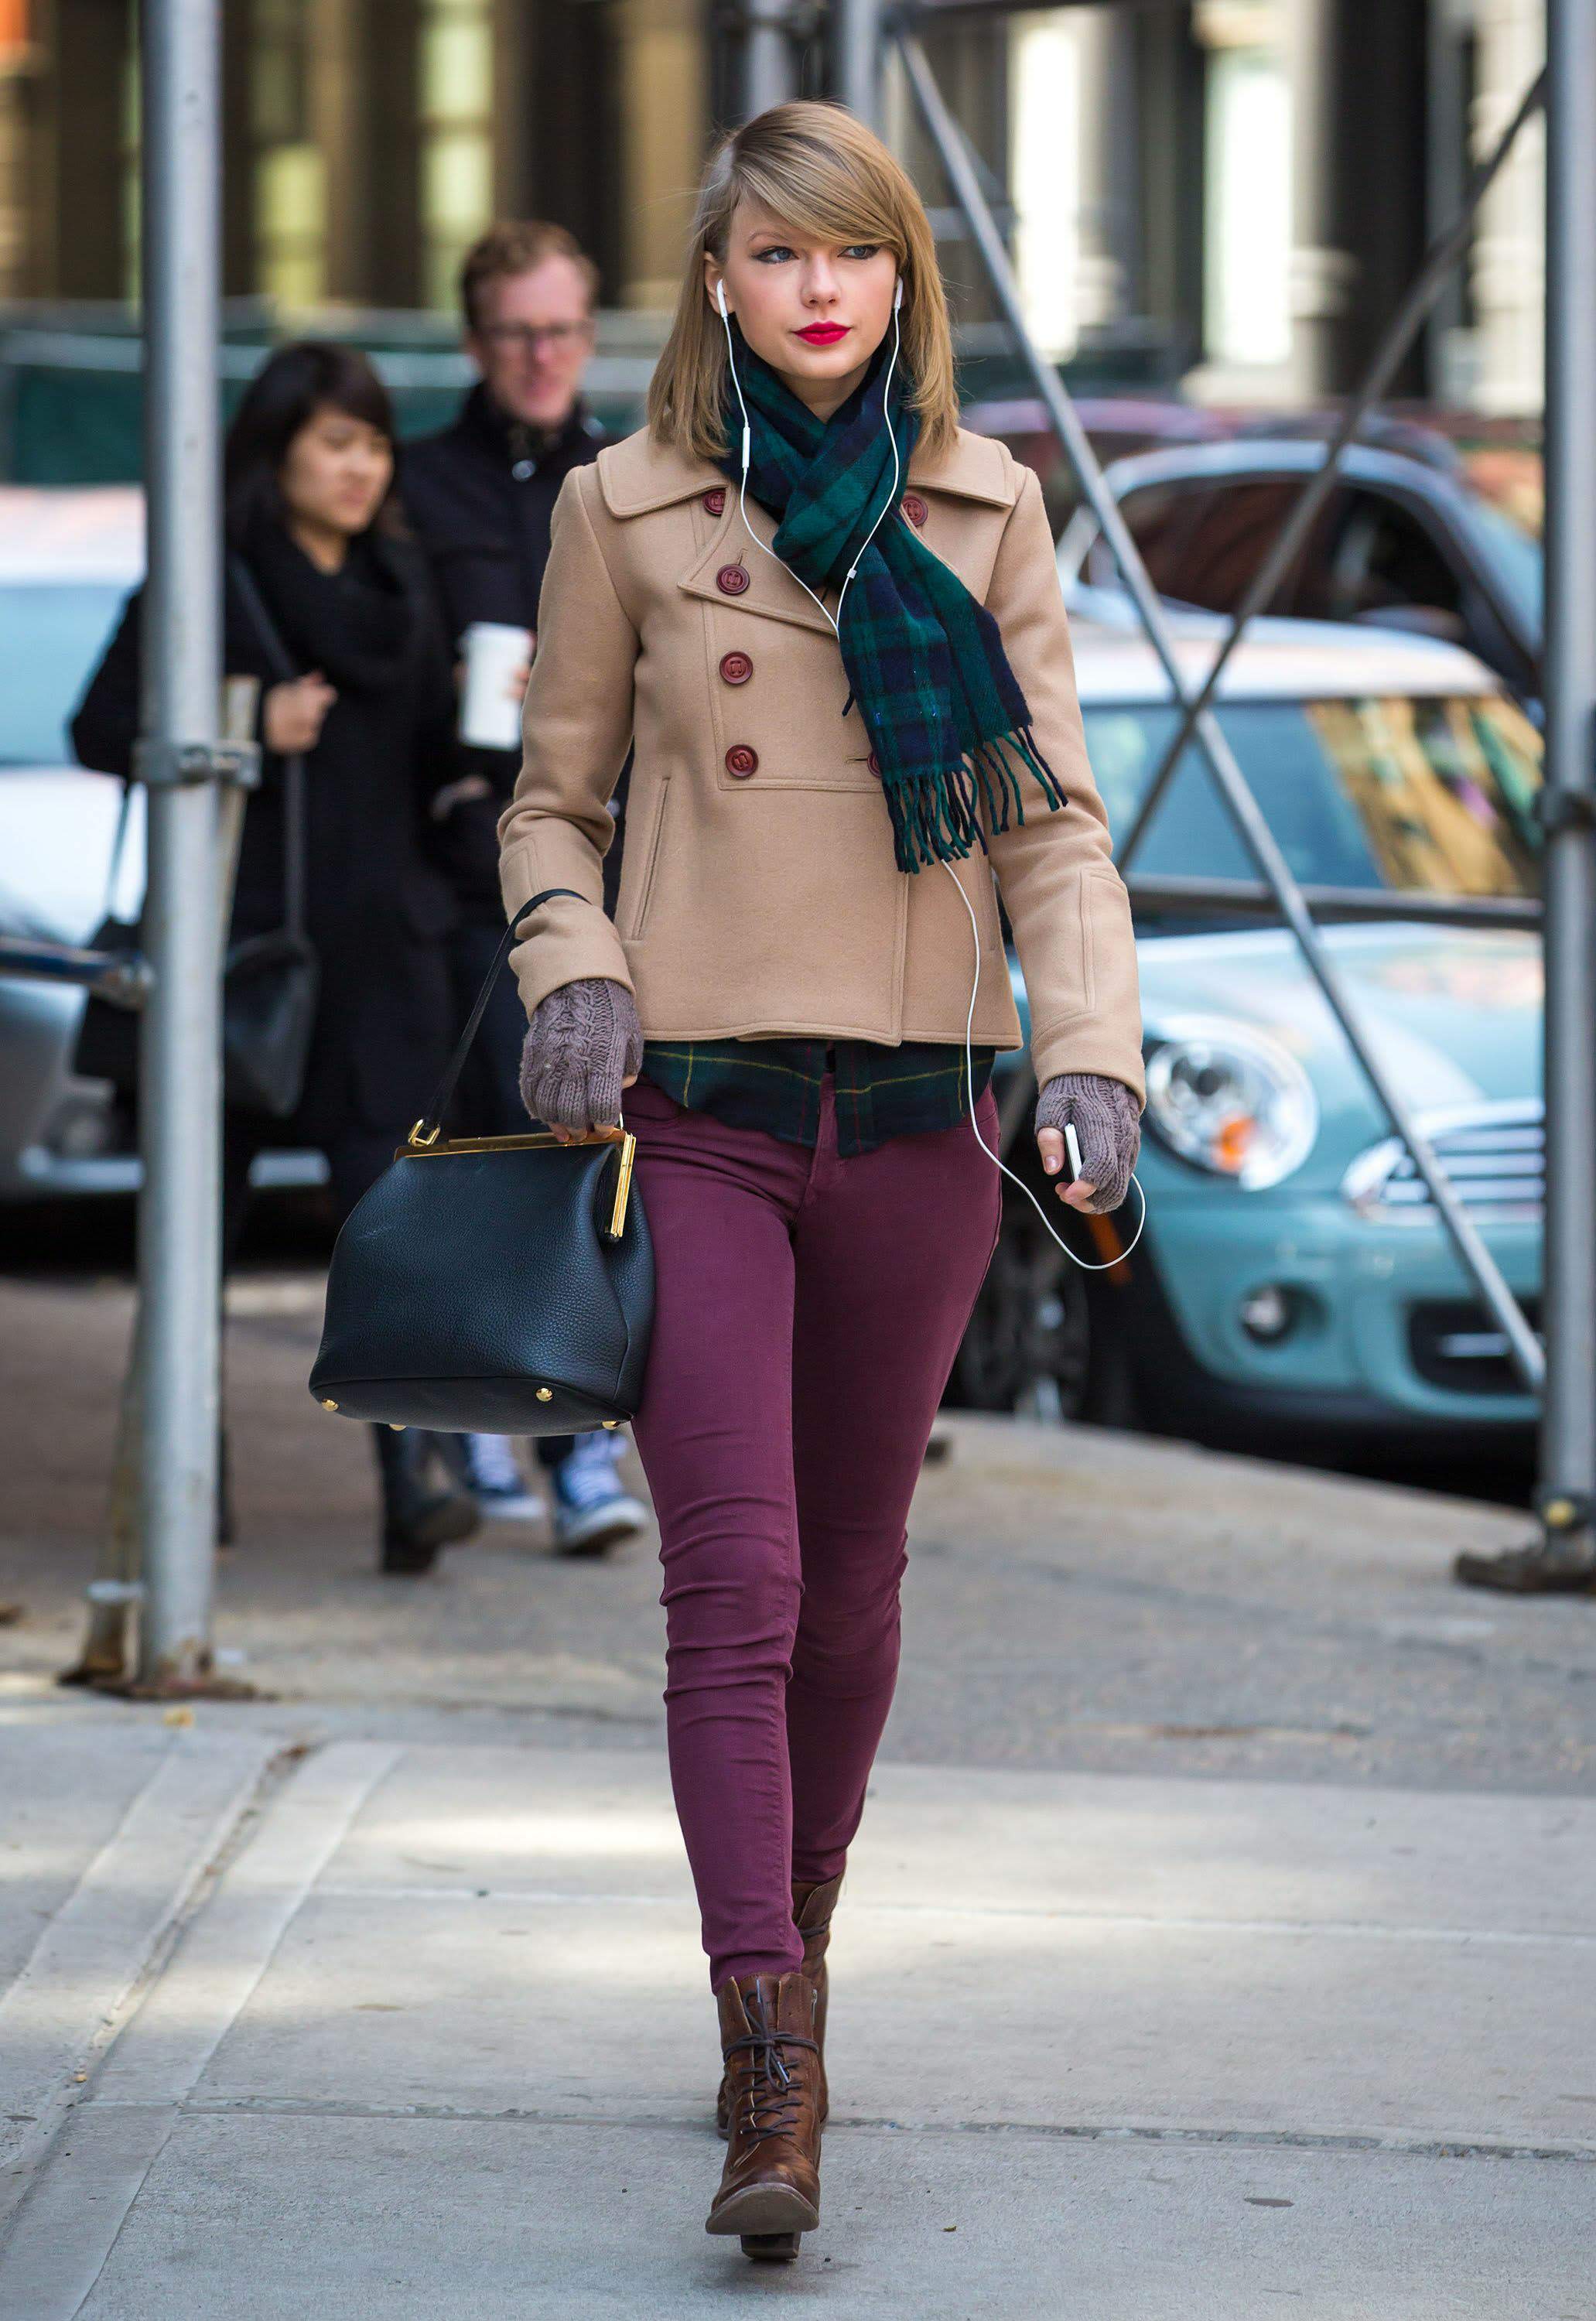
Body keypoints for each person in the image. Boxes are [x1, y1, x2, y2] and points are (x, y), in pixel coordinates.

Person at [495, 102, 1146, 2261]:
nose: (819, 287)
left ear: (899, 277)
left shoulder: (987, 506)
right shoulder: (621, 507)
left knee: (855, 1588)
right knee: (738, 1582)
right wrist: (577, 969)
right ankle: (767, 2049)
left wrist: (1091, 1052)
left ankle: (802, 1937)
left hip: (922, 1115)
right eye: (778, 252)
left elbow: (1051, 826)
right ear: (719, 281)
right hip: (697, 1107)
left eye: (853, 250)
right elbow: (550, 804)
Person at [72, 340, 480, 1578]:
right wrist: (244, 722)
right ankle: (181, 1483)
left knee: (392, 1239)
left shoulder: (404, 589)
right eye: (336, 443)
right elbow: (98, 726)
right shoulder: (210, 583)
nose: (363, 468)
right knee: (193, 1241)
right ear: (279, 453)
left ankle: (414, 1485)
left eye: (376, 445)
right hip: (241, 965)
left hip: (380, 973)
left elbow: (431, 763)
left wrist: (485, 734)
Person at [402, 220, 646, 1555]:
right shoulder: (416, 484)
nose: (542, 356)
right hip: (456, 861)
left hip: (600, 865)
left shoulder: (628, 479)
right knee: (475, 1151)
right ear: (474, 341)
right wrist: (436, 683)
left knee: (589, 1146)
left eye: (561, 331)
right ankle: (484, 1420)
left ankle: (582, 1445)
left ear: (588, 335)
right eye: (516, 333)